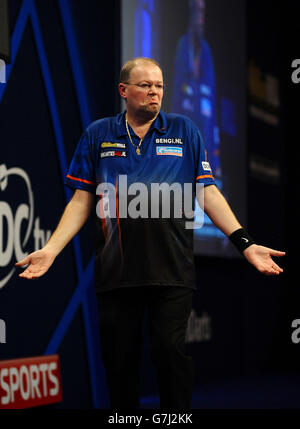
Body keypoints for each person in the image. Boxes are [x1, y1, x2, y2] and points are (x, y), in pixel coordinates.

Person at [15, 57, 285, 409]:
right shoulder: (99, 134)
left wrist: (244, 244)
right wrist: (51, 249)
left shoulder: (184, 130)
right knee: (119, 364)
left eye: (159, 86)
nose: (154, 92)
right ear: (124, 90)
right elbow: (82, 200)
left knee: (169, 353)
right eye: (145, 85)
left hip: (171, 271)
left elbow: (207, 193)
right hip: (116, 272)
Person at [171, 0, 220, 176]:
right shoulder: (182, 47)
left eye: (202, 12)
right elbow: (175, 100)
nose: (200, 19)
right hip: (183, 149)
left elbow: (212, 107)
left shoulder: (206, 52)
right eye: (197, 12)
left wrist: (216, 156)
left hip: (205, 147)